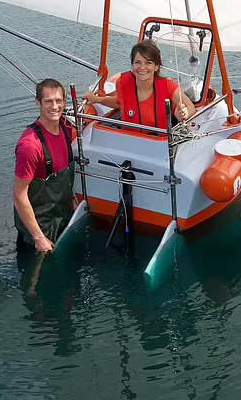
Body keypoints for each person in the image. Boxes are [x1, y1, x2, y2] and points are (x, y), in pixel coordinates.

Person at [13, 78, 76, 253]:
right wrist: (39, 238)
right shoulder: (30, 146)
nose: (54, 106)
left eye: (58, 101)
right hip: (38, 232)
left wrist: (73, 201)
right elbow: (19, 195)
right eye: (48, 101)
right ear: (38, 103)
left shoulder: (66, 128)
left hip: (63, 220)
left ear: (64, 102)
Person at [82, 40, 195, 129]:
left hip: (160, 144)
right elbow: (121, 103)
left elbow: (191, 107)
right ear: (132, 65)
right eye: (137, 62)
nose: (142, 67)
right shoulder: (122, 83)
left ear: (156, 66)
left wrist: (182, 114)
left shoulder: (168, 86)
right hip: (131, 141)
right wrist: (97, 99)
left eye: (148, 63)